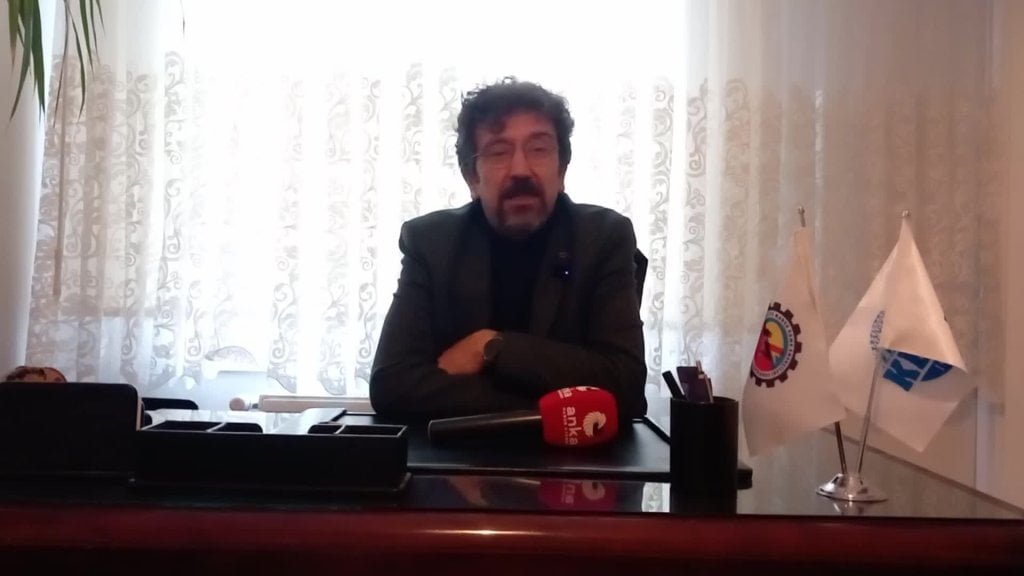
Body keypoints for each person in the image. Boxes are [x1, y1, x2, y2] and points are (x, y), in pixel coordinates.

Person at [369, 78, 646, 420]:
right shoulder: (431, 243)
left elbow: (625, 385)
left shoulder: (603, 238)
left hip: (575, 451)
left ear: (562, 170)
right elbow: (393, 386)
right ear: (472, 177)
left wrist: (493, 347)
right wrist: (552, 403)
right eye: (499, 152)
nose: (520, 170)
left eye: (539, 149)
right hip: (459, 450)